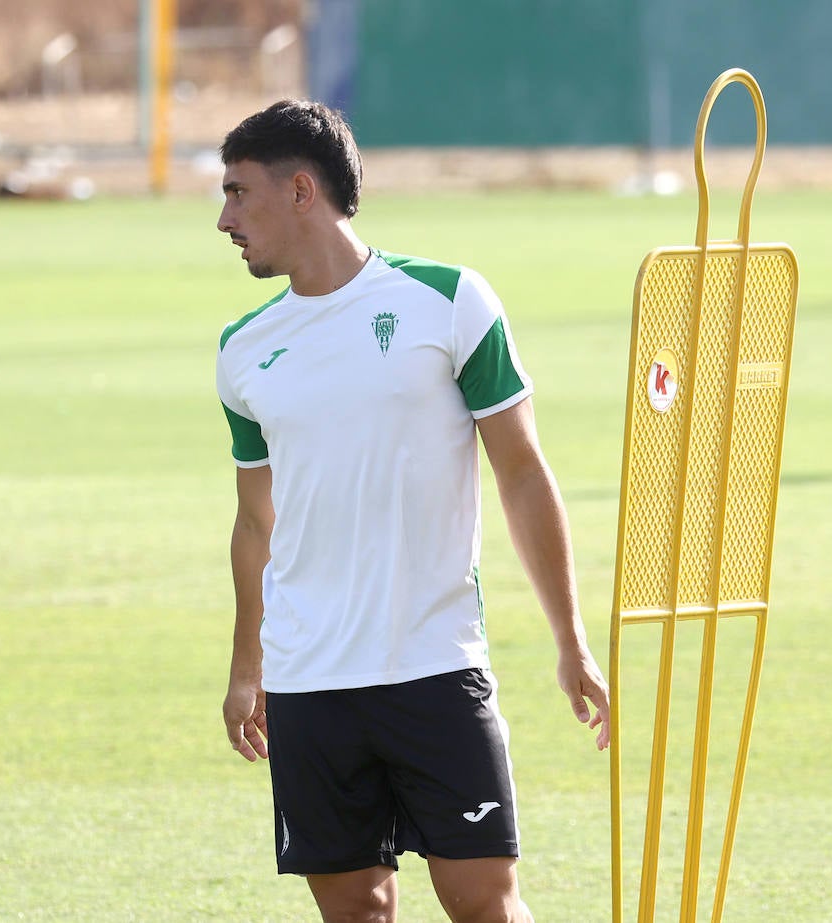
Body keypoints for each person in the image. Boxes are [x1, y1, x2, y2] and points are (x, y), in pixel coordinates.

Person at [213, 99, 610, 923]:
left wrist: (571, 639)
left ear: (298, 191)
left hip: (433, 667)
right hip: (308, 681)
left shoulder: (450, 301)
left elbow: (523, 474)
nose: (224, 219)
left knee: (484, 905)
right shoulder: (243, 349)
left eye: (237, 192)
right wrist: (247, 662)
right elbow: (257, 522)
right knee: (355, 910)